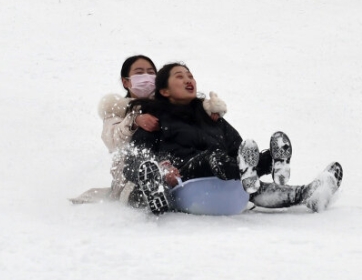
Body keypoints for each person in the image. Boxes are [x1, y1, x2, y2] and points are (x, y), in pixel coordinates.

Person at [124, 62, 343, 214]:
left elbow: (240, 150)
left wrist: (252, 161)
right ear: (164, 91)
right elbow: (132, 162)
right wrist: (161, 171)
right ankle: (248, 172)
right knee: (216, 158)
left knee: (247, 175)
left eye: (190, 76)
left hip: (229, 185)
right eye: (180, 77)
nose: (188, 80)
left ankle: (304, 188)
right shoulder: (155, 119)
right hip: (186, 183)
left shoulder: (212, 118)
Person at [69, 55, 227, 204]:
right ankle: (150, 190)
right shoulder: (116, 109)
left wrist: (207, 110)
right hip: (132, 176)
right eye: (139, 73)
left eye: (151, 73)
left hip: (174, 167)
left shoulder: (168, 104)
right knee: (143, 179)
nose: (146, 77)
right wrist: (134, 121)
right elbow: (112, 140)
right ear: (126, 82)